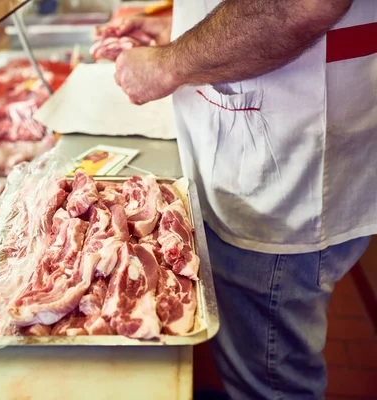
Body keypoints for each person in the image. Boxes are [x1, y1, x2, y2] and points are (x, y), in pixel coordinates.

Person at [105, 1, 377, 399]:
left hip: (283, 175)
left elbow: (299, 5)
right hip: (260, 153)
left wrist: (167, 64)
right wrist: (191, 29)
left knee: (268, 383)